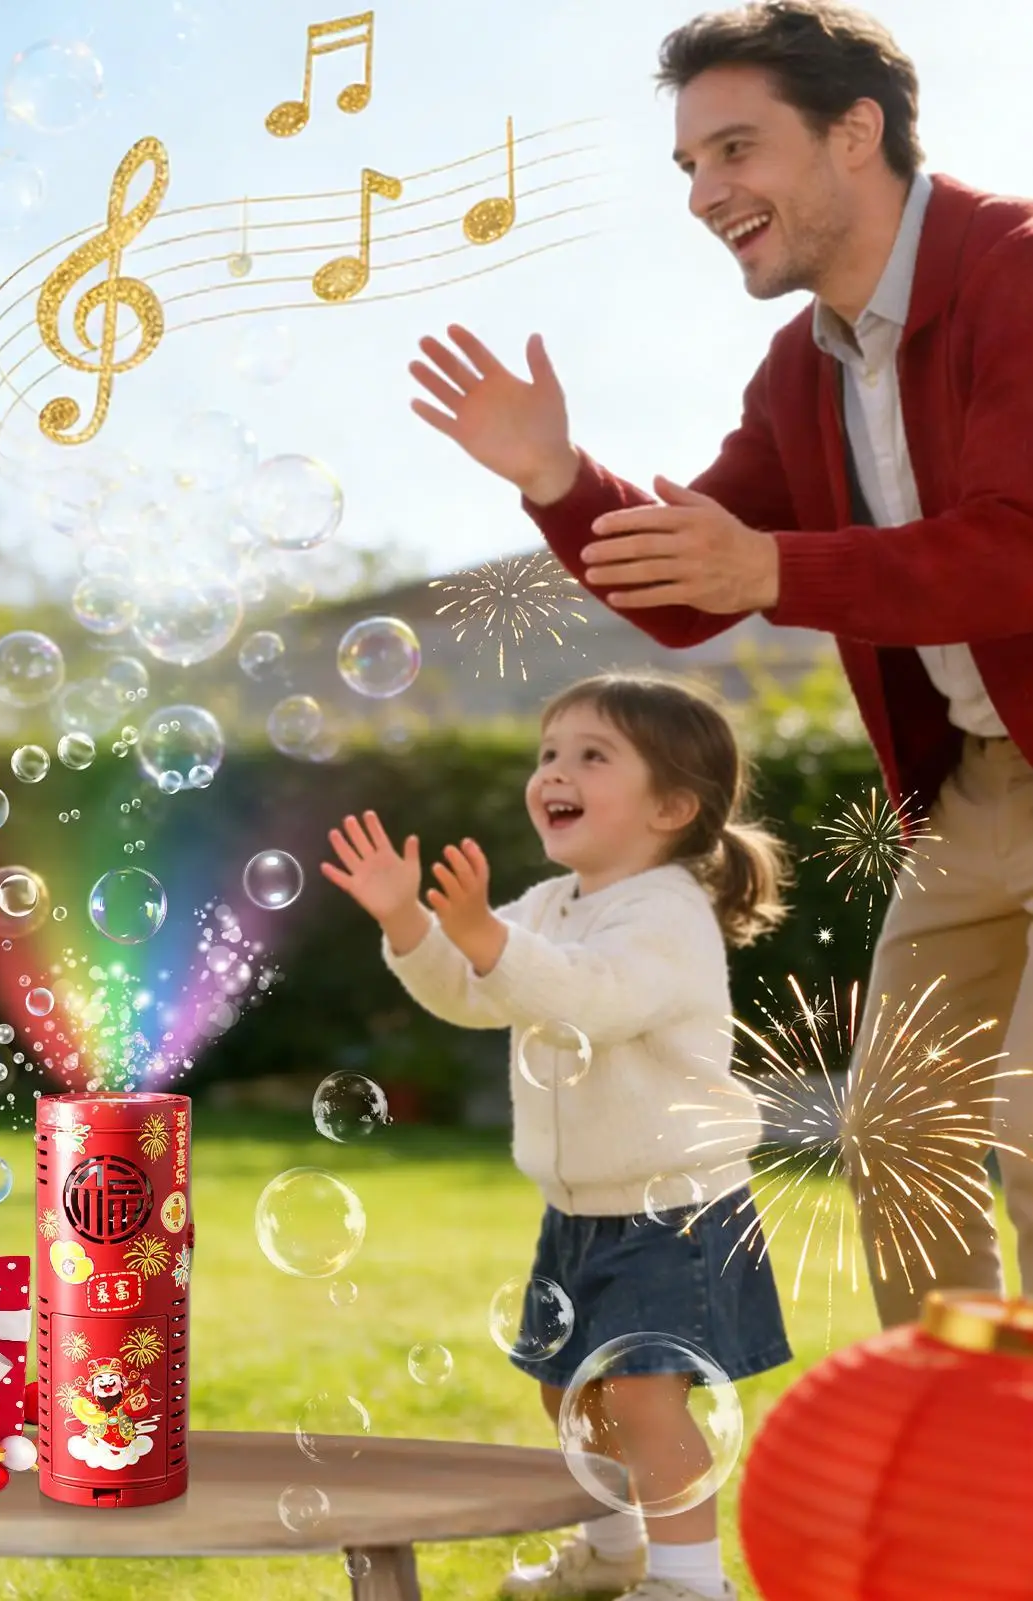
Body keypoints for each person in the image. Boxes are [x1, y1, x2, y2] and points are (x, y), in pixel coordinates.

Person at [408, 0, 1033, 1332]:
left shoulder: (1016, 271)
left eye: (735, 149)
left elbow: (1016, 545)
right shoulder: (800, 372)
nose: (703, 192)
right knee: (897, 1133)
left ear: (853, 131)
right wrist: (559, 480)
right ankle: (963, 1449)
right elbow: (695, 584)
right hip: (980, 788)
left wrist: (774, 569)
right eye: (689, 164)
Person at [323, 672, 792, 1601]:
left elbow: (591, 998)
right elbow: (470, 993)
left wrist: (483, 938)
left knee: (642, 1396)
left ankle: (691, 1583)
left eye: (591, 755)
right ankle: (612, 1553)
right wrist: (409, 920)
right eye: (547, 753)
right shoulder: (549, 903)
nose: (553, 772)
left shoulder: (665, 911)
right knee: (566, 1389)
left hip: (674, 1208)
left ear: (670, 806)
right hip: (580, 1209)